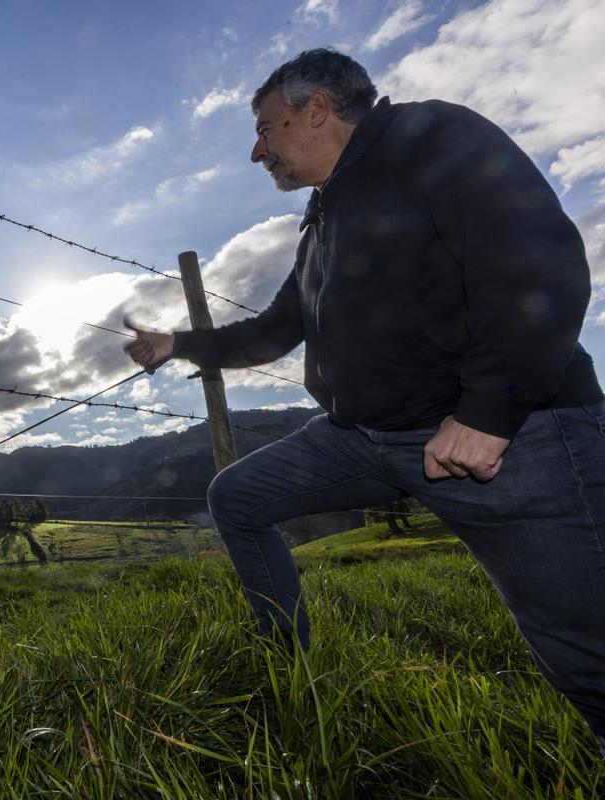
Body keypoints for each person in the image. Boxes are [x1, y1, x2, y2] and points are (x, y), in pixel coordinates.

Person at [124, 48, 605, 756]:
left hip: (513, 438)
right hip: (366, 437)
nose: (258, 150)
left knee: (587, 652)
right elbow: (275, 332)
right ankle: (286, 665)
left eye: (266, 128)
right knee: (239, 497)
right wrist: (178, 345)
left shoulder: (433, 140)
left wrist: (488, 413)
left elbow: (541, 264)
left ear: (317, 108)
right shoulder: (323, 216)